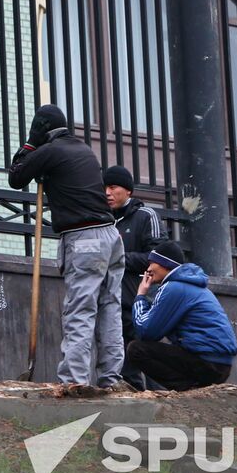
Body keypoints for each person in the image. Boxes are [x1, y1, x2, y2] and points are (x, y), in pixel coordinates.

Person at [8, 104, 126, 388]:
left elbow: (16, 177)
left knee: (80, 311)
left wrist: (29, 143)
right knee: (109, 308)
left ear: (41, 128)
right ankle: (111, 378)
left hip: (84, 240)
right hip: (111, 237)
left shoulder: (49, 151)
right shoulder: (83, 149)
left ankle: (74, 381)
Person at [126, 240, 237, 392]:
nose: (148, 269)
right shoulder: (190, 285)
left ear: (164, 264)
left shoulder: (173, 287)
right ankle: (191, 388)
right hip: (219, 365)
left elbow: (146, 331)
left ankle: (186, 390)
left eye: (152, 263)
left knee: (137, 349)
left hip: (206, 363)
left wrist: (140, 295)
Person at [103, 165, 163, 388]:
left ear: (128, 190)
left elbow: (157, 258)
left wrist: (119, 258)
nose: (107, 193)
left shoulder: (146, 216)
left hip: (141, 301)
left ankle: (165, 404)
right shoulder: (103, 221)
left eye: (112, 187)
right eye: (104, 188)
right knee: (124, 366)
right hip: (111, 302)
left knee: (148, 356)